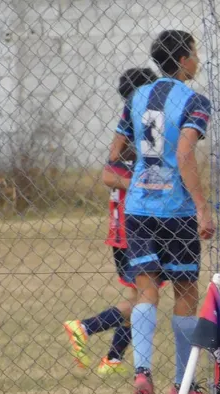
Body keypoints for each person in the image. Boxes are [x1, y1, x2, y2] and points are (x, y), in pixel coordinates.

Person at [109, 29, 215, 394]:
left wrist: (141, 174)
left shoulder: (137, 97)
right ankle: (181, 386)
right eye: (195, 52)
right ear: (184, 59)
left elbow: (115, 152)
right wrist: (202, 205)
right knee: (186, 291)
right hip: (176, 210)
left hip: (137, 209)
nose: (197, 58)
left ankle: (141, 373)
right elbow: (185, 154)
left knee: (146, 289)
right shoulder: (194, 101)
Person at [64, 67, 159, 377]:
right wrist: (143, 186)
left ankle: (113, 359)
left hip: (134, 228)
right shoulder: (132, 129)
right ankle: (85, 327)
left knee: (141, 295)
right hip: (132, 230)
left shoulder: (143, 127)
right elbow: (109, 174)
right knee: (146, 297)